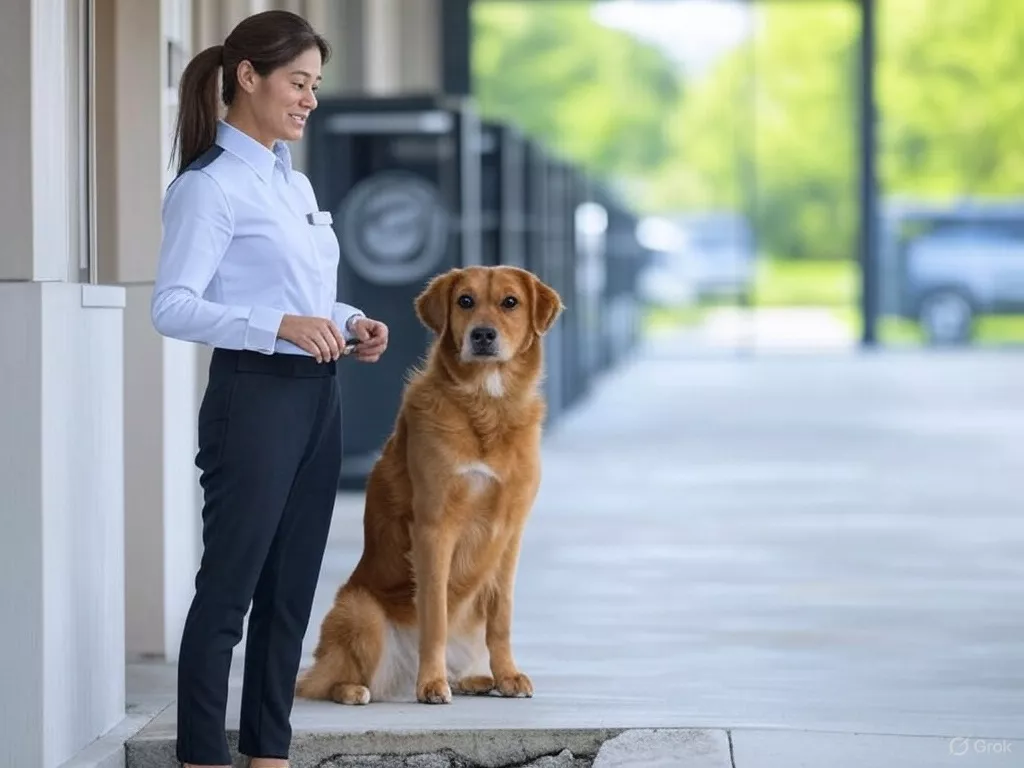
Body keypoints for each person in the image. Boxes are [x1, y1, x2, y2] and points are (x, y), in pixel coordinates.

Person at [150, 10, 388, 768]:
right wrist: (277, 325)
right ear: (247, 76)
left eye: (316, 85)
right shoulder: (209, 187)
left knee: (290, 594)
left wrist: (348, 321)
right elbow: (172, 305)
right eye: (298, 82)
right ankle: (200, 756)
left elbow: (307, 295)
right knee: (229, 592)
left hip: (318, 397)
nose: (309, 99)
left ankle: (268, 757)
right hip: (251, 399)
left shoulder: (293, 182)